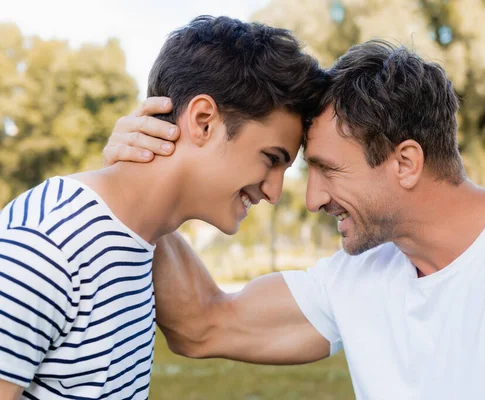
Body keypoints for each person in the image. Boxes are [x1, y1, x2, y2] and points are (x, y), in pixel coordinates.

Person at [105, 40, 485, 399]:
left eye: (327, 170)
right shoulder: (360, 275)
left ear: (405, 163)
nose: (311, 198)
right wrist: (148, 177)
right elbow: (203, 324)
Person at [0, 15, 325, 399]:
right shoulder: (44, 249)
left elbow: (207, 322)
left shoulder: (142, 245)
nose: (273, 192)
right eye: (271, 158)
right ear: (203, 121)